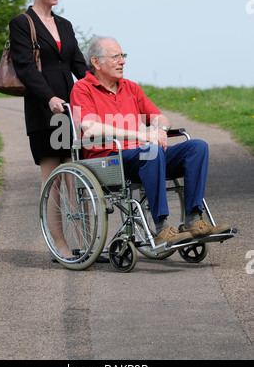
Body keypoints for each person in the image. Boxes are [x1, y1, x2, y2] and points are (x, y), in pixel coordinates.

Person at [70, 36, 230, 245]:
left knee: (197, 147)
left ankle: (193, 220)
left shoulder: (131, 88)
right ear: (96, 62)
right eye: (116, 56)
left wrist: (160, 129)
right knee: (151, 151)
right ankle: (162, 227)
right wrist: (143, 135)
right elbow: (90, 128)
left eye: (123, 55)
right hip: (108, 160)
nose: (123, 61)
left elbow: (160, 117)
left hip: (142, 157)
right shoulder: (83, 88)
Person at [9, 0, 87, 258]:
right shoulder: (21, 23)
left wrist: (104, 84)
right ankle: (61, 246)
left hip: (70, 109)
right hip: (44, 110)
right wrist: (49, 98)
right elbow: (26, 68)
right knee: (53, 180)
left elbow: (78, 64)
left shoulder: (64, 24)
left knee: (75, 177)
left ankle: (84, 243)